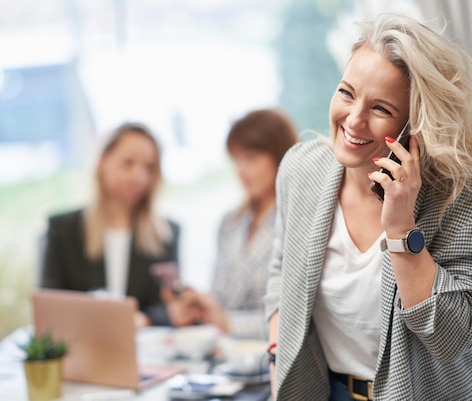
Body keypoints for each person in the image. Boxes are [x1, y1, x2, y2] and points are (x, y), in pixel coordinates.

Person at [264, 14, 472, 400]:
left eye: (380, 109)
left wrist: (401, 229)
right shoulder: (301, 169)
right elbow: (281, 272)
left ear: (416, 127)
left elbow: (452, 338)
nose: (354, 120)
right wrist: (278, 355)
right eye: (346, 93)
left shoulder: (465, 199)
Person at [164, 109, 298, 340]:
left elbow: (295, 318)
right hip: (228, 355)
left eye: (250, 158)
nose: (241, 170)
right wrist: (199, 307)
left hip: (271, 357)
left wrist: (227, 322)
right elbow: (220, 297)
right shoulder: (230, 223)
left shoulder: (297, 220)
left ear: (280, 156)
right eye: (236, 160)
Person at [40, 122, 180, 327]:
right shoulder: (63, 230)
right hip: (81, 344)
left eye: (149, 167)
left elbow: (171, 304)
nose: (138, 176)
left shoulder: (166, 233)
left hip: (142, 346)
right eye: (128, 163)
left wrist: (145, 318)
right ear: (104, 160)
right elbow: (49, 302)